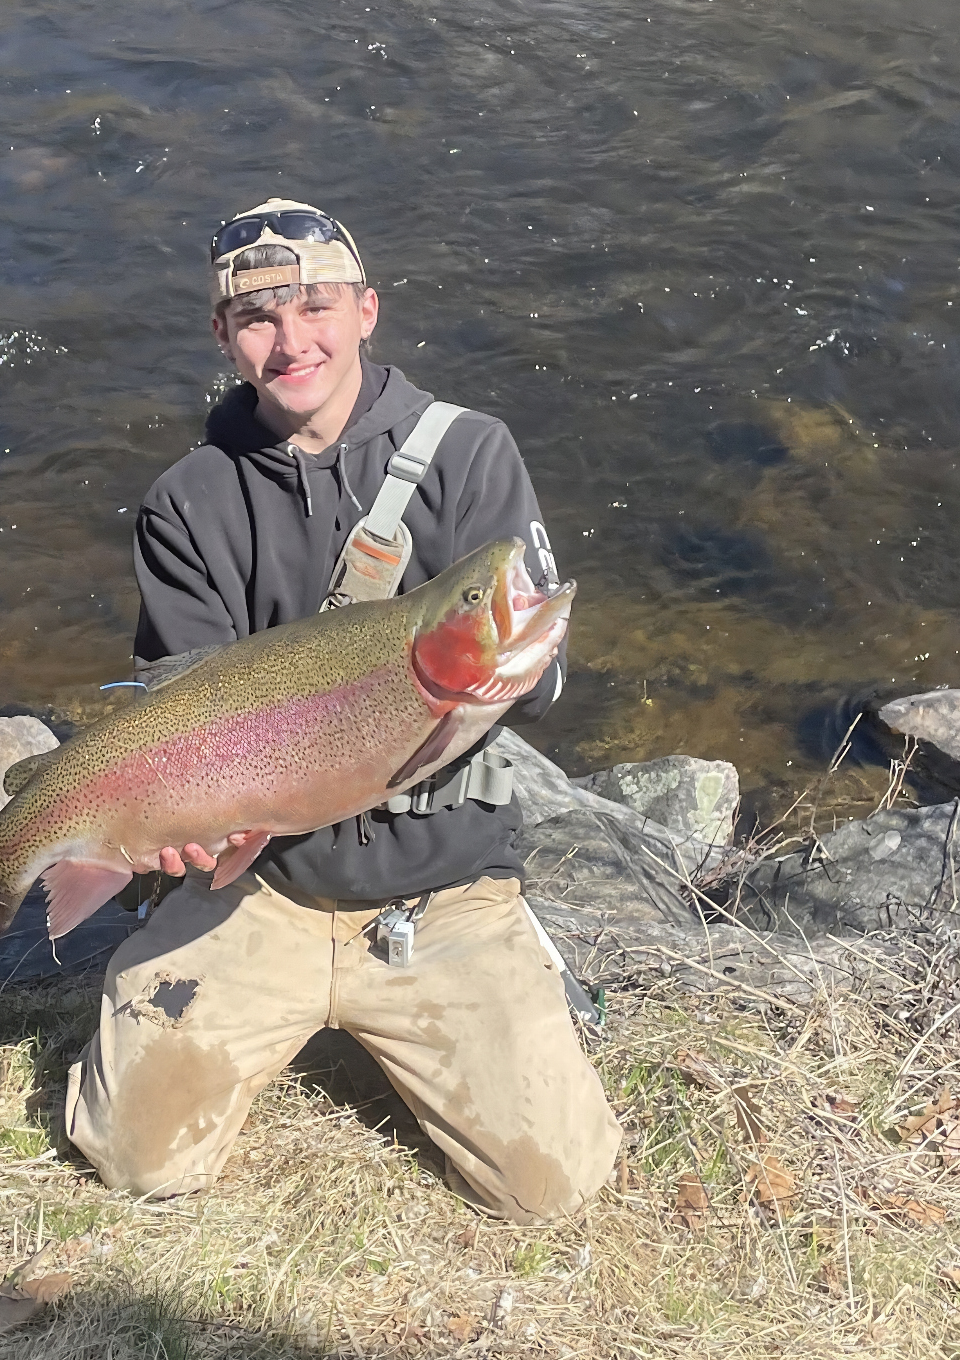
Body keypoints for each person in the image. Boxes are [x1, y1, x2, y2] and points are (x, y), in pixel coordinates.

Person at [63, 198, 620, 1224]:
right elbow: (182, 705)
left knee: (556, 1189)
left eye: (314, 306)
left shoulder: (469, 453)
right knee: (138, 1160)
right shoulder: (187, 500)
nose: (291, 341)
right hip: (260, 885)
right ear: (222, 338)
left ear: (367, 311)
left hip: (440, 888)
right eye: (257, 319)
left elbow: (536, 685)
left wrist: (502, 663)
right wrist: (174, 829)